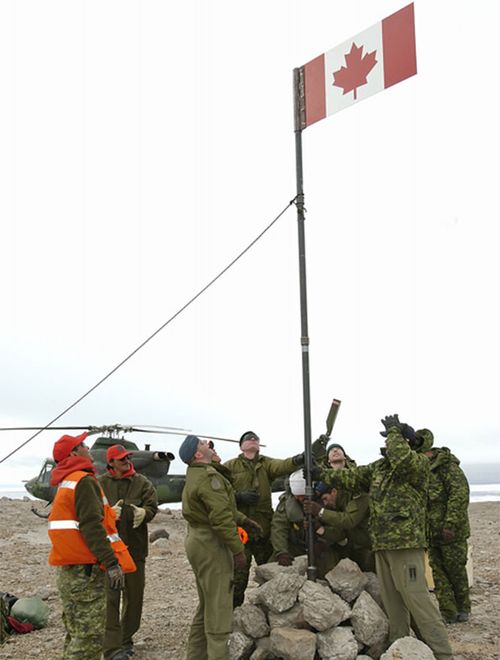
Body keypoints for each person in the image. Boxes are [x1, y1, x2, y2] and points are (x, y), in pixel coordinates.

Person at [320, 416, 453, 660]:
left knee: (417, 600)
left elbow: (402, 457)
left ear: (407, 443)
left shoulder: (415, 464)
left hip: (406, 544)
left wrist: (395, 431)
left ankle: (443, 654)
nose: (389, 444)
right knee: (393, 604)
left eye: (394, 439)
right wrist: (319, 472)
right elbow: (350, 477)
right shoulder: (380, 468)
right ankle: (399, 649)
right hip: (382, 545)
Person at [48, 433, 136, 660]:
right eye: (83, 445)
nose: (88, 448)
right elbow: (91, 526)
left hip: (71, 571)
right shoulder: (84, 481)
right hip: (84, 573)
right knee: (89, 640)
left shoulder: (66, 481)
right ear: (74, 453)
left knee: (76, 634)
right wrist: (111, 562)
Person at [181, 434, 247, 660]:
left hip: (197, 540)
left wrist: (245, 521)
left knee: (206, 605)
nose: (207, 444)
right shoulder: (209, 478)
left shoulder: (196, 475)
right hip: (211, 543)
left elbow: (219, 510)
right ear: (198, 455)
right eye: (202, 443)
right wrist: (238, 549)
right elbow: (220, 518)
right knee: (219, 607)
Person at [223, 431, 304, 606]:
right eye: (248, 438)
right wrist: (238, 497)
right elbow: (220, 493)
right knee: (237, 580)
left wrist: (298, 459)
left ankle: (269, 612)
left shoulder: (265, 464)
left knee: (271, 575)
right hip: (240, 532)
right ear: (241, 446)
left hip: (262, 530)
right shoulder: (230, 466)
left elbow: (281, 466)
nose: (253, 440)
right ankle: (231, 618)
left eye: (256, 439)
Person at [98, 444, 159, 659]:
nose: (126, 461)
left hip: (135, 551)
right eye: (121, 458)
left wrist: (146, 512)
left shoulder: (142, 483)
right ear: (111, 462)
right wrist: (105, 514)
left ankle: (126, 639)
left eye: (127, 457)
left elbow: (153, 506)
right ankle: (112, 646)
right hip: (109, 553)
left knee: (134, 599)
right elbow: (90, 512)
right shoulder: (100, 484)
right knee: (110, 600)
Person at [420, 429, 471, 624]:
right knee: (438, 573)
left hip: (452, 532)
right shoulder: (421, 469)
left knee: (455, 570)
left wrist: (450, 525)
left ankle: (463, 607)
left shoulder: (447, 467)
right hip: (431, 532)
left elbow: (459, 496)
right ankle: (448, 612)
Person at [303, 443, 374, 572]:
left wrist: (320, 511)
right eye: (331, 450)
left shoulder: (358, 481)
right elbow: (340, 530)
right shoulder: (321, 483)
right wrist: (319, 529)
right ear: (328, 461)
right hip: (348, 541)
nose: (335, 450)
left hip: (368, 542)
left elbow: (348, 521)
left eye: (339, 449)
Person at [271, 471, 339, 577]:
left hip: (322, 546)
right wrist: (281, 552)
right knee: (274, 568)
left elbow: (337, 527)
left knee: (331, 574)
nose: (300, 499)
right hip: (296, 546)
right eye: (297, 496)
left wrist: (323, 542)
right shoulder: (287, 504)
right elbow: (278, 527)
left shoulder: (325, 500)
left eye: (302, 496)